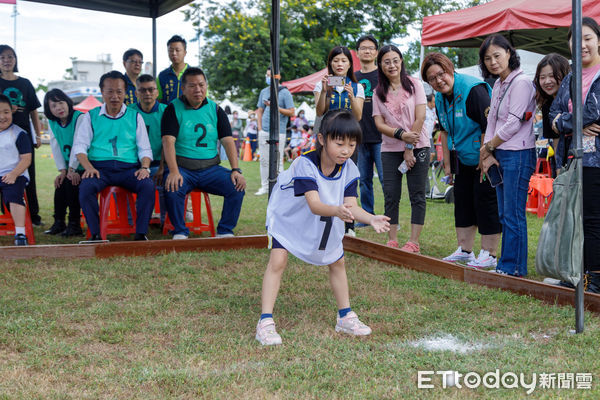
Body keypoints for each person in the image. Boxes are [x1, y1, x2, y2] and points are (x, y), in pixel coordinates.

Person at [256, 109, 390, 346]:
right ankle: (265, 322)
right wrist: (338, 211)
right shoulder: (305, 163)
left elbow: (350, 206)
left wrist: (370, 218)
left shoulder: (349, 168)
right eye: (339, 143)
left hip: (320, 215)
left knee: (337, 261)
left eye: (351, 144)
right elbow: (315, 205)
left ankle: (345, 316)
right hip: (288, 217)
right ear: (321, 139)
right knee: (278, 260)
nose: (346, 150)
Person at [421, 52, 502, 268]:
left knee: (485, 201)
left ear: (450, 70)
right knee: (463, 202)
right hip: (462, 158)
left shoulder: (472, 89)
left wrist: (485, 156)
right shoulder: (439, 97)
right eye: (432, 79)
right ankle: (465, 250)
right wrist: (447, 164)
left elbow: (489, 126)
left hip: (485, 154)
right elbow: (446, 131)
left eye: (442, 74)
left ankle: (489, 253)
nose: (439, 81)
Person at [161, 67, 246, 238]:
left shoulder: (215, 110)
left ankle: (225, 230)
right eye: (192, 86)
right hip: (183, 168)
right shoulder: (172, 109)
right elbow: (168, 141)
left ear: (206, 86)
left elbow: (227, 140)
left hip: (210, 169)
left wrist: (235, 169)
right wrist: (174, 171)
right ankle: (179, 230)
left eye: (201, 85)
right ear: (183, 89)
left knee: (236, 186)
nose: (198, 90)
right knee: (172, 186)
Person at [549, 17, 600, 292]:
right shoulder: (570, 77)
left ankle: (596, 279)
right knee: (573, 218)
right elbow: (552, 118)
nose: (581, 44)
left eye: (588, 37)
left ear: (598, 41)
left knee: (593, 219)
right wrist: (574, 123)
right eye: (575, 39)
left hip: (596, 160)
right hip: (573, 159)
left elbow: (594, 112)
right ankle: (575, 273)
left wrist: (567, 122)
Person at [73, 71, 155, 242]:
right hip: (99, 169)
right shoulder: (91, 116)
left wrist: (144, 167)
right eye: (109, 91)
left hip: (128, 169)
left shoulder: (135, 116)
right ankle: (96, 234)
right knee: (86, 188)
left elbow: (145, 149)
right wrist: (88, 168)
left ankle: (140, 234)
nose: (115, 96)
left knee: (147, 185)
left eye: (119, 91)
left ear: (126, 92)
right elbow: (80, 147)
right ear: (102, 92)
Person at [479, 34, 536, 277]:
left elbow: (513, 123)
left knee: (513, 214)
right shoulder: (499, 84)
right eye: (487, 58)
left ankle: (512, 267)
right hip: (499, 152)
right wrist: (486, 152)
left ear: (509, 54)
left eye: (497, 55)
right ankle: (508, 265)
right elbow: (491, 120)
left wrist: (489, 146)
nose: (493, 62)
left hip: (519, 154)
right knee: (504, 213)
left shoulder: (521, 82)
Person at [373, 45, 429, 253]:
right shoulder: (378, 92)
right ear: (380, 65)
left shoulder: (415, 85)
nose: (392, 65)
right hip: (389, 149)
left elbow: (420, 116)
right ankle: (392, 238)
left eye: (395, 60)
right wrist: (400, 135)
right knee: (391, 194)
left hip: (418, 146)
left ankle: (413, 241)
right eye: (386, 61)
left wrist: (408, 147)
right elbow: (379, 124)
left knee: (417, 194)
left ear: (402, 61)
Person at [315, 46, 365, 236]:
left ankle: (349, 225)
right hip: (328, 134)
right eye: (335, 60)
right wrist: (325, 92)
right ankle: (323, 218)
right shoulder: (323, 83)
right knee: (324, 176)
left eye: (343, 61)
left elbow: (358, 115)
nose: (339, 64)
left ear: (350, 64)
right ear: (330, 64)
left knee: (348, 178)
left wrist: (352, 97)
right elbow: (320, 111)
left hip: (348, 136)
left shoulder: (357, 86)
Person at [0, 44, 43, 226]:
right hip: (2, 137)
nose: (7, 60)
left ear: (15, 60)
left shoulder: (25, 83)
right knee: (4, 174)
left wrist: (38, 135)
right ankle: (8, 215)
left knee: (27, 176)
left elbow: (34, 110)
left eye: (10, 57)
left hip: (22, 136)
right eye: (2, 57)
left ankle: (33, 216)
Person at [43, 89, 85, 237]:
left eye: (61, 103)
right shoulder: (53, 122)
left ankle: (74, 224)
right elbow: (55, 146)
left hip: (85, 165)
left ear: (67, 102)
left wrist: (72, 170)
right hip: (70, 167)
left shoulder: (80, 118)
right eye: (53, 106)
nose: (59, 108)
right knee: (60, 183)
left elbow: (79, 145)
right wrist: (62, 170)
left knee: (71, 183)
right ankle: (59, 222)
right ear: (49, 109)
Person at [129, 74, 168, 225]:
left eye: (151, 90)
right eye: (143, 90)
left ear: (157, 92)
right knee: (120, 180)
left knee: (168, 180)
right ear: (136, 92)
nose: (147, 94)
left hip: (160, 163)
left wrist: (163, 167)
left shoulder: (166, 111)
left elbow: (168, 142)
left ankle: (166, 222)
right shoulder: (129, 112)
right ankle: (131, 222)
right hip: (135, 164)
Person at [355, 34, 384, 221]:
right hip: (358, 136)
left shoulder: (383, 75)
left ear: (376, 52)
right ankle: (367, 215)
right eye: (363, 48)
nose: (367, 51)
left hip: (382, 136)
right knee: (364, 180)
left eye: (370, 48)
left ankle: (392, 216)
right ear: (357, 53)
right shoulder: (353, 77)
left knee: (385, 179)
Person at [255, 67, 295, 196]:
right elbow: (259, 111)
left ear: (278, 77)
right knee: (264, 160)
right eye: (266, 75)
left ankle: (280, 186)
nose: (268, 78)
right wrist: (260, 128)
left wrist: (276, 107)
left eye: (270, 76)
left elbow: (291, 111)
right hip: (264, 130)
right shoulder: (264, 91)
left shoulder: (284, 93)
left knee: (277, 160)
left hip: (279, 131)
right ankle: (265, 187)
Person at [0, 94, 32, 245]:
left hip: (16, 174)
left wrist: (14, 174)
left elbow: (26, 159)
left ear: (12, 111)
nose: (2, 116)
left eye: (6, 112)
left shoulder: (18, 133)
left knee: (14, 194)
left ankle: (20, 234)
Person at [534, 53, 570, 174]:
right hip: (564, 163)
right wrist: (559, 171)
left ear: (565, 75)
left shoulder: (574, 98)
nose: (547, 81)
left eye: (552, 76)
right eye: (542, 77)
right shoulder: (547, 105)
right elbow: (556, 142)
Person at [157, 35, 189, 104]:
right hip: (168, 114)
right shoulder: (162, 76)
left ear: (185, 53)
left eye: (177, 50)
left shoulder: (194, 74)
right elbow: (159, 101)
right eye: (171, 50)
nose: (174, 53)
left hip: (189, 114)